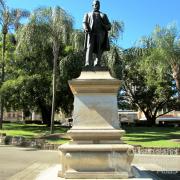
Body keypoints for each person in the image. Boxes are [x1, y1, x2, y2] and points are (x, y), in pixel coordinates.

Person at [83, 0, 111, 67]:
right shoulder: (87, 14)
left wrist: (105, 26)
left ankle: (97, 63)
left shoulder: (103, 15)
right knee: (89, 48)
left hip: (100, 34)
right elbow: (84, 22)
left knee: (99, 48)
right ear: (92, 6)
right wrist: (85, 28)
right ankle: (87, 63)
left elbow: (109, 25)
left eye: (98, 4)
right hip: (91, 33)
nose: (96, 6)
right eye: (95, 4)